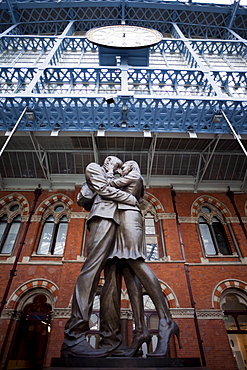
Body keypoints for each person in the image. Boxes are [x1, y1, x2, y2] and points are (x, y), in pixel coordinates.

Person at [100, 160, 182, 357]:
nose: (122, 168)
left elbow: (107, 186)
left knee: (135, 261)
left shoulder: (134, 176)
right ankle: (140, 330)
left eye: (125, 165)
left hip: (129, 218)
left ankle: (166, 320)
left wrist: (110, 170)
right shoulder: (128, 178)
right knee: (128, 270)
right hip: (121, 220)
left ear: (133, 166)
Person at [61, 156, 138, 358]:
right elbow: (98, 192)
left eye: (122, 167)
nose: (119, 168)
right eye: (117, 164)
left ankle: (111, 341)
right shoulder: (94, 168)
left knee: (113, 281)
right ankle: (74, 337)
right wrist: (129, 199)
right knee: (91, 271)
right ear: (108, 161)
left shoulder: (118, 178)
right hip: (102, 218)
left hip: (120, 223)